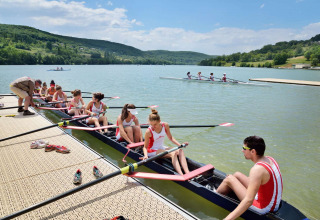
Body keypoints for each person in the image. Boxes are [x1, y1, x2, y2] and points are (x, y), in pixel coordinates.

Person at [216, 136, 283, 220]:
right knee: (237, 175)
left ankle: (215, 195)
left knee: (229, 179)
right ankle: (220, 191)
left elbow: (248, 201)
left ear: (253, 151)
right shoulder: (270, 159)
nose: (242, 150)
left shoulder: (257, 169)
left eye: (244, 148)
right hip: (274, 204)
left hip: (263, 209)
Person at [142, 109, 190, 175]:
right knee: (173, 154)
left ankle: (187, 173)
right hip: (152, 151)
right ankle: (181, 175)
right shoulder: (148, 131)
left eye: (155, 124)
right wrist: (145, 156)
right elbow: (145, 147)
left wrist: (180, 144)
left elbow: (171, 138)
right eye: (151, 124)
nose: (153, 126)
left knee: (180, 151)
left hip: (161, 148)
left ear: (159, 121)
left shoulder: (165, 125)